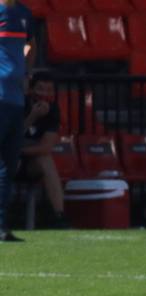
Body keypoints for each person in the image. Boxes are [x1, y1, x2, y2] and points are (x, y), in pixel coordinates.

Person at [0, 0, 35, 243]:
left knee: (8, 166)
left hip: (15, 99)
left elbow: (30, 44)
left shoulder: (24, 13)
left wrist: (26, 74)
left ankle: (0, 225)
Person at [19, 71, 68, 228]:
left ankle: (59, 216)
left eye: (49, 90)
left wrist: (20, 151)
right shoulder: (17, 104)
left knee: (45, 159)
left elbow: (46, 147)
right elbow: (8, 139)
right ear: (31, 90)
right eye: (40, 89)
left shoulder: (53, 110)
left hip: (27, 160)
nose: (44, 94)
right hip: (7, 161)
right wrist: (32, 117)